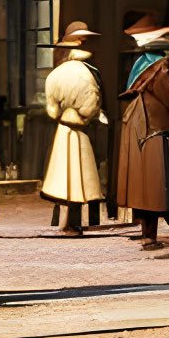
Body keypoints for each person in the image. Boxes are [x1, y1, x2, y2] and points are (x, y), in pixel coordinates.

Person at [115, 13, 169, 252]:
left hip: (148, 127)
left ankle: (149, 233)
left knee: (150, 182)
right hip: (149, 128)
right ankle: (149, 234)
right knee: (150, 182)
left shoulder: (156, 67)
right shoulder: (159, 70)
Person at [42, 21, 106, 235]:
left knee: (63, 179)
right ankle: (73, 223)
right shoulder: (88, 74)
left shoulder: (55, 75)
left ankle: (66, 222)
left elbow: (51, 110)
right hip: (80, 129)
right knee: (79, 179)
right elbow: (91, 107)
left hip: (62, 129)